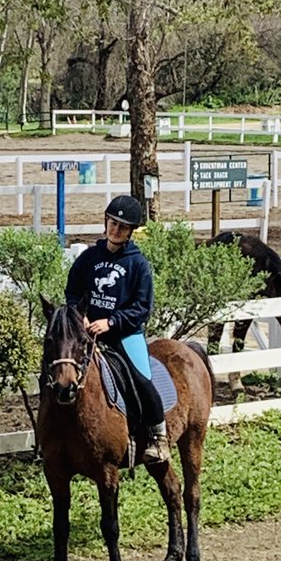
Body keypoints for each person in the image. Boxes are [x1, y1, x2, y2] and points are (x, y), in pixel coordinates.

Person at [65, 194, 170, 464]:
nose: (115, 229)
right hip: (88, 331)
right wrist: (82, 316)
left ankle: (158, 438)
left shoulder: (137, 264)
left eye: (122, 226)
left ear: (130, 232)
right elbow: (73, 291)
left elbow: (142, 306)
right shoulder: (89, 258)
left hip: (125, 333)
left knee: (141, 379)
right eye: (112, 223)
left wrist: (111, 322)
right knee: (59, 369)